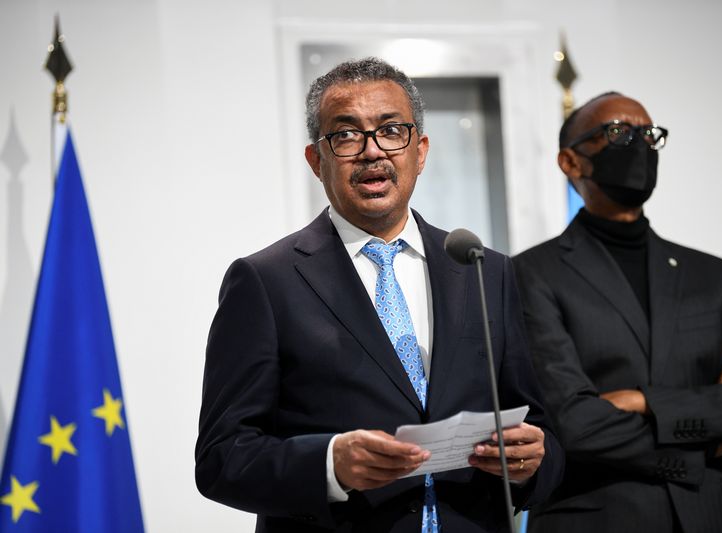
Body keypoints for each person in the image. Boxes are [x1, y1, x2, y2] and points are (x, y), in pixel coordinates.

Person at [195, 57, 563, 533]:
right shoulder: (266, 281)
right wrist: (329, 465)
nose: (372, 151)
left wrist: (536, 458)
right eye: (346, 135)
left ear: (421, 150)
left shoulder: (484, 270)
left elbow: (543, 431)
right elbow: (222, 458)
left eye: (392, 131)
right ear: (316, 160)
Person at [512, 91, 722, 533]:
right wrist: (712, 437)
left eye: (648, 134)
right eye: (618, 133)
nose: (640, 145)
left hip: (714, 518)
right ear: (571, 162)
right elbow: (574, 423)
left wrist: (644, 401)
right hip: (596, 518)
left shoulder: (712, 276)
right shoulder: (530, 273)